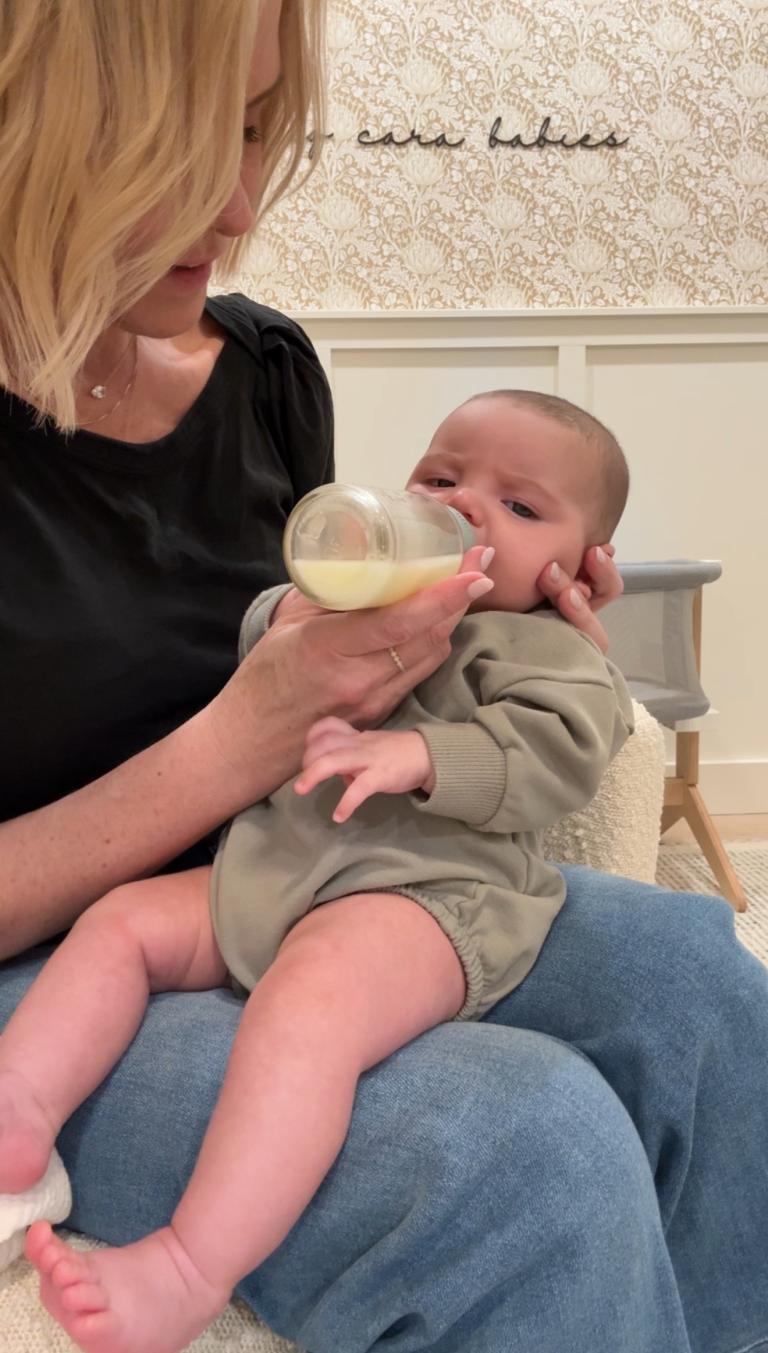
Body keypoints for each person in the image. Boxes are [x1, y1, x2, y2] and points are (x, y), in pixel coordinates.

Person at [0, 2, 765, 1352]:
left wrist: (497, 636)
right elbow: (271, 708)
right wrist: (241, 742)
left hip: (304, 862)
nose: (235, 204)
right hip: (53, 966)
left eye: (250, 129)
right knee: (530, 1153)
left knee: (704, 988)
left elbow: (345, 631)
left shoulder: (267, 372)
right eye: (173, 139)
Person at [0, 389, 637, 1352]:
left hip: (423, 896)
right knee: (126, 919)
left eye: (519, 506)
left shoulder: (548, 647)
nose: (465, 506)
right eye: (442, 477)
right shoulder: (369, 594)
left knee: (309, 1000)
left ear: (580, 562)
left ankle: (186, 1265)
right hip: (283, 865)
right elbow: (264, 645)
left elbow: (566, 751)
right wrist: (299, 606)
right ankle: (17, 1110)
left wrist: (423, 758)